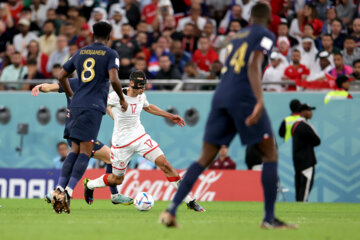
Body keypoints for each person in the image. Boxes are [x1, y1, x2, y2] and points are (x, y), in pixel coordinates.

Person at [159, 3, 297, 229]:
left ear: (249, 18)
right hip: (243, 97)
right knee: (270, 154)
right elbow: (254, 64)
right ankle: (269, 219)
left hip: (221, 95)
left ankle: (171, 210)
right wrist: (260, 100)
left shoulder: (237, 36)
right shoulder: (265, 34)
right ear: (269, 18)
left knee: (204, 158)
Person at [83, 70, 204, 212]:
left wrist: (170, 116)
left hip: (140, 137)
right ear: (131, 83)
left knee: (165, 164)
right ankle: (90, 184)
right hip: (121, 143)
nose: (143, 89)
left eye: (144, 85)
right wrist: (113, 116)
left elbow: (148, 107)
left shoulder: (142, 96)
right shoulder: (116, 96)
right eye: (140, 86)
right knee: (116, 180)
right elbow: (103, 104)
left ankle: (190, 201)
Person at [53, 21, 128, 214]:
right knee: (86, 150)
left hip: (76, 105)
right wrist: (121, 99)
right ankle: (68, 192)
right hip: (93, 106)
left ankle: (60, 188)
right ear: (110, 34)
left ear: (92, 34)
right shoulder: (111, 53)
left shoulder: (80, 52)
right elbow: (113, 78)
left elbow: (61, 75)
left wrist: (71, 95)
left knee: (75, 149)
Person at [31, 78, 125, 207]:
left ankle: (57, 190)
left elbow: (51, 87)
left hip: (72, 129)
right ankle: (109, 194)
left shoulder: (73, 82)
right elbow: (106, 105)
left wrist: (40, 86)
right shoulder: (96, 85)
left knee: (77, 156)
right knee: (110, 157)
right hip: (83, 128)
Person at [291, 103, 320, 202]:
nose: (311, 113)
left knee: (299, 185)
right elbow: (317, 140)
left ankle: (299, 205)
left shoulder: (294, 125)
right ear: (303, 112)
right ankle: (302, 206)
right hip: (307, 160)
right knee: (306, 185)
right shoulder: (305, 125)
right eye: (309, 110)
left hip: (297, 159)